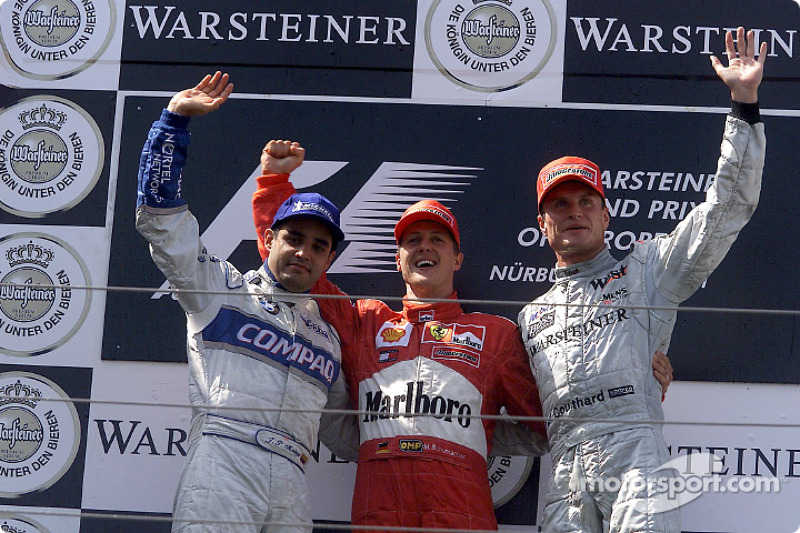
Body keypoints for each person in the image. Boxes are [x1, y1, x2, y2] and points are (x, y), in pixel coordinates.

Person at [253, 144, 674, 530]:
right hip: (378, 511)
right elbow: (293, 270)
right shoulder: (365, 321)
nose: (425, 247)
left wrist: (635, 379)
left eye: (437, 239)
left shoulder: (497, 335)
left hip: (462, 513)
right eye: (413, 241)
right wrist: (274, 183)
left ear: (457, 259)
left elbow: (553, 420)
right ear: (397, 260)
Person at [517, 27, 766, 532]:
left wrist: (743, 105)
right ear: (543, 225)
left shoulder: (648, 269)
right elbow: (512, 415)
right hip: (563, 472)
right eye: (559, 205)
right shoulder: (530, 316)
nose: (574, 212)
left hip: (636, 456)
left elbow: (725, 209)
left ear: (606, 215)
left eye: (586, 201)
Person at [136, 72, 352, 533]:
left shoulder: (328, 338)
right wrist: (172, 123)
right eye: (294, 238)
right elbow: (162, 223)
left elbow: (348, 435)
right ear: (269, 239)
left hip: (293, 477)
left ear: (328, 260)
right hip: (224, 461)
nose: (304, 252)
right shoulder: (222, 289)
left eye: (318, 246)